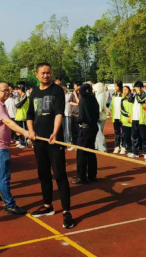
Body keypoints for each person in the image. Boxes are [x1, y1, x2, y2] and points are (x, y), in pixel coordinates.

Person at [26, 63, 74, 230]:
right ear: (36, 74)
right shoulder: (34, 92)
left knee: (60, 175)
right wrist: (31, 131)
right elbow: (30, 115)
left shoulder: (57, 90)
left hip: (54, 140)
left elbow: (59, 113)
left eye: (48, 73)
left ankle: (66, 211)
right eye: (43, 73)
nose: (46, 75)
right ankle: (48, 206)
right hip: (38, 140)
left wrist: (55, 133)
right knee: (43, 174)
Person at [0, 82, 30, 215]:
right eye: (4, 90)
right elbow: (8, 122)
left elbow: (7, 123)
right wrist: (25, 132)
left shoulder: (0, 104)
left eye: (8, 90)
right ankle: (10, 205)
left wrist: (17, 131)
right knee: (4, 176)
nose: (8, 92)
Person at [73, 83, 100, 185]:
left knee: (81, 154)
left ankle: (82, 177)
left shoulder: (83, 100)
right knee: (91, 152)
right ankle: (92, 175)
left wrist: (77, 121)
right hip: (93, 127)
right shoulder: (93, 99)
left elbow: (81, 117)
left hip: (85, 128)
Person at [129, 82, 146, 160]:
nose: (136, 89)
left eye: (137, 88)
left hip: (142, 119)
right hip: (134, 118)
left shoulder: (145, 95)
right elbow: (129, 100)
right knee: (134, 136)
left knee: (144, 137)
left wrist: (137, 93)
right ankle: (135, 152)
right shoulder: (134, 95)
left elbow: (140, 100)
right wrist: (132, 93)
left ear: (141, 88)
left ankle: (145, 152)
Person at [109, 81, 125, 154]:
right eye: (115, 86)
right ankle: (117, 146)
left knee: (123, 132)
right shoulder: (113, 95)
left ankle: (123, 146)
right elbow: (111, 104)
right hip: (115, 116)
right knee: (117, 132)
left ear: (120, 86)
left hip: (122, 117)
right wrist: (109, 110)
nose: (115, 88)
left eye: (116, 86)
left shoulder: (123, 95)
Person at [93, 83, 108, 153]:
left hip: (100, 116)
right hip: (100, 115)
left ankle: (102, 148)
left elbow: (100, 108)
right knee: (98, 131)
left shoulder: (100, 96)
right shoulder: (100, 95)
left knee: (99, 132)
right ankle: (97, 146)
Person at [68, 82, 82, 152]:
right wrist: (76, 104)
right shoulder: (72, 93)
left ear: (79, 86)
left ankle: (79, 145)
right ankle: (74, 145)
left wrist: (76, 95)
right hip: (73, 115)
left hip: (79, 115)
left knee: (79, 131)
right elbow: (70, 102)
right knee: (73, 130)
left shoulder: (81, 93)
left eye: (75, 86)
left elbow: (79, 102)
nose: (74, 87)